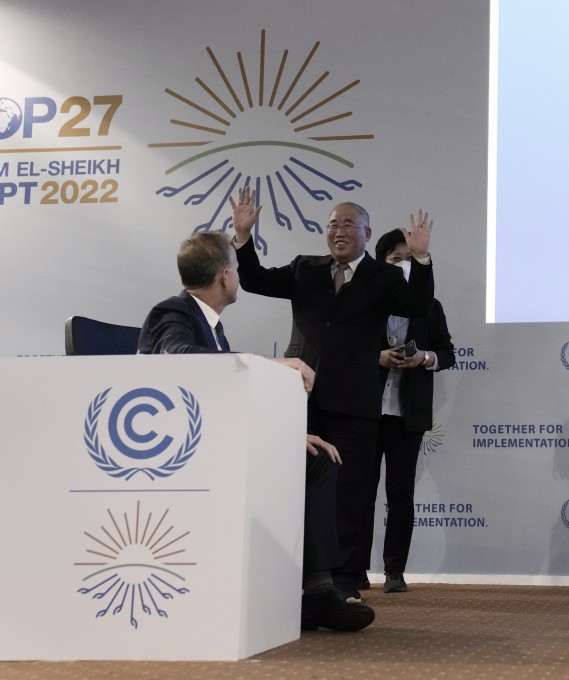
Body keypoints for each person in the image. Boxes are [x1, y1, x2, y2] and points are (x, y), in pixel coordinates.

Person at [138, 231, 376, 633]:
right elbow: (180, 360)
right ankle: (313, 591)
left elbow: (223, 398)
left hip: (213, 440)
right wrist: (272, 362)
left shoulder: (210, 326)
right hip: (177, 452)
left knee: (314, 462)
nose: (238, 274)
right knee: (312, 467)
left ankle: (314, 589)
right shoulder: (174, 313)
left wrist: (284, 434)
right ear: (224, 277)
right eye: (235, 264)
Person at [228, 188, 436, 610]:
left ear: (366, 232)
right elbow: (254, 280)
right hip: (302, 400)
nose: (338, 232)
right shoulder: (306, 268)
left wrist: (421, 259)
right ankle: (300, 577)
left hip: (356, 402)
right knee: (299, 490)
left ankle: (344, 579)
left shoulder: (386, 277)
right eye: (332, 225)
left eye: (347, 224)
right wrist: (243, 236)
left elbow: (419, 305)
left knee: (351, 494)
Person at [353, 229, 455, 594]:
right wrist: (376, 357)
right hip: (364, 412)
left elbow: (447, 353)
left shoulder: (431, 306)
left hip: (407, 414)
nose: (403, 266)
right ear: (381, 263)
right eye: (396, 259)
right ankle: (355, 570)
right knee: (359, 493)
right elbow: (343, 350)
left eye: (410, 259)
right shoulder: (365, 302)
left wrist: (424, 357)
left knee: (400, 495)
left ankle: (394, 572)